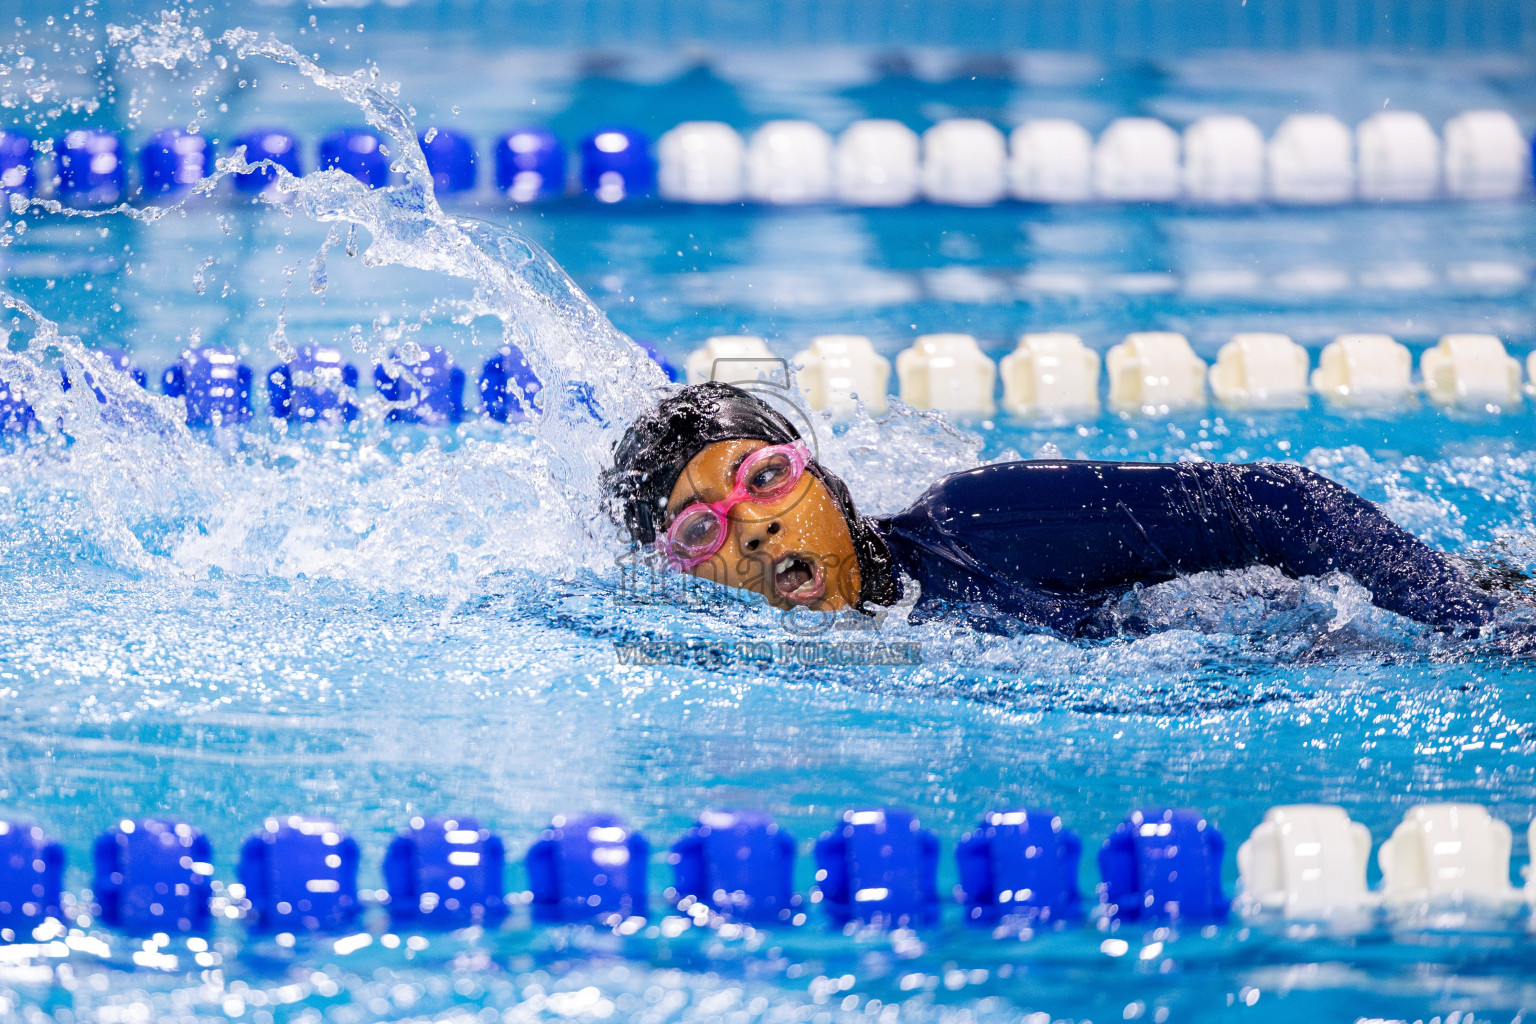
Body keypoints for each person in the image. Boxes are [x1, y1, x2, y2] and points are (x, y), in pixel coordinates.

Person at [602, 381, 1500, 638]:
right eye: (698, 529)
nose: (750, 526)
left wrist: (1476, 619)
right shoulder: (745, 665)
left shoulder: (980, 524)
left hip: (1335, 634)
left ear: (821, 476)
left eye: (762, 478)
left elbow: (1275, 503)